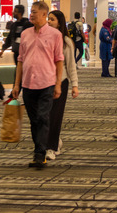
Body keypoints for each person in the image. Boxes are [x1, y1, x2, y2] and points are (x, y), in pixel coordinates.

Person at [11, 1, 63, 169]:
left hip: (46, 82)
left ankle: (40, 154)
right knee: (34, 120)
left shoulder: (55, 35)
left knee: (42, 117)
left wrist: (58, 84)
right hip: (28, 83)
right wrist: (16, 85)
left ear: (43, 15)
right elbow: (20, 61)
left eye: (34, 12)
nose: (31, 15)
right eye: (31, 12)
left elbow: (59, 60)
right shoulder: (26, 34)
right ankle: (38, 149)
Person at [45, 10, 79, 161]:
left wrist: (75, 85)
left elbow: (71, 65)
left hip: (61, 81)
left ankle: (51, 147)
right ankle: (54, 139)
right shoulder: (44, 38)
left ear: (59, 22)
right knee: (44, 115)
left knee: (55, 115)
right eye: (48, 19)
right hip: (44, 81)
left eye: (52, 19)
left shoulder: (66, 41)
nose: (49, 22)